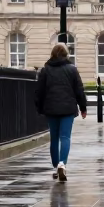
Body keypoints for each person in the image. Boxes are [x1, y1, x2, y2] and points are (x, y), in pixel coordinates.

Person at [34, 42, 87, 181]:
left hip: (51, 108)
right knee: (65, 137)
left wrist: (39, 107)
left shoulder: (45, 70)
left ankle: (56, 166)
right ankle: (62, 163)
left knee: (54, 139)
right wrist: (83, 108)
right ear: (66, 54)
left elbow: (39, 91)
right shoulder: (72, 69)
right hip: (68, 108)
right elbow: (79, 90)